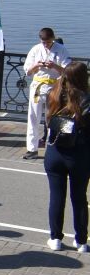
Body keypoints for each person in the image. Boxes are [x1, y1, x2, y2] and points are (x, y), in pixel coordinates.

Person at [42, 62, 90, 253]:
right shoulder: (86, 99)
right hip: (79, 154)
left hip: (55, 152)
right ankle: (81, 241)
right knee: (79, 198)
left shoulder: (53, 94)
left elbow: (47, 123)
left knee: (56, 196)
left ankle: (55, 238)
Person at [23, 27, 71, 160]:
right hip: (37, 87)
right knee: (33, 117)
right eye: (44, 42)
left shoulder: (61, 49)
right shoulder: (35, 49)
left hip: (54, 87)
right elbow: (27, 71)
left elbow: (67, 71)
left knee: (52, 119)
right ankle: (31, 149)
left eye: (48, 42)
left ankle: (51, 148)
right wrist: (37, 65)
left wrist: (54, 66)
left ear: (53, 39)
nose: (46, 45)